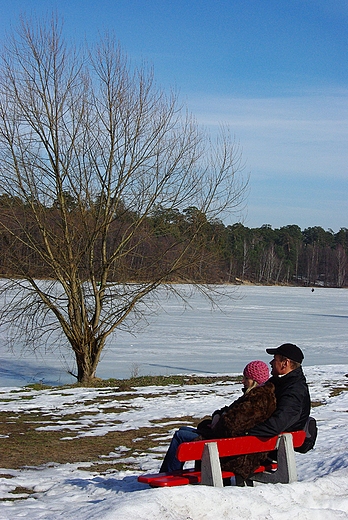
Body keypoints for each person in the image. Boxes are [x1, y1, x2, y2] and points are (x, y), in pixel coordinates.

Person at [159, 360, 276, 474]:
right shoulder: (255, 396)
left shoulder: (257, 401)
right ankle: (173, 472)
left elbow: (232, 426)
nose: (243, 381)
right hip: (232, 443)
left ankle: (168, 475)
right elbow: (227, 411)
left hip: (235, 453)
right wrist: (218, 416)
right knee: (183, 430)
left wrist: (219, 419)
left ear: (255, 380)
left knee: (180, 436)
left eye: (246, 378)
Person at [247, 343, 310, 438]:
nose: (271, 363)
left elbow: (278, 424)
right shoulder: (279, 381)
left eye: (274, 359)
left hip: (275, 444)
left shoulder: (295, 390)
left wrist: (245, 432)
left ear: (285, 363)